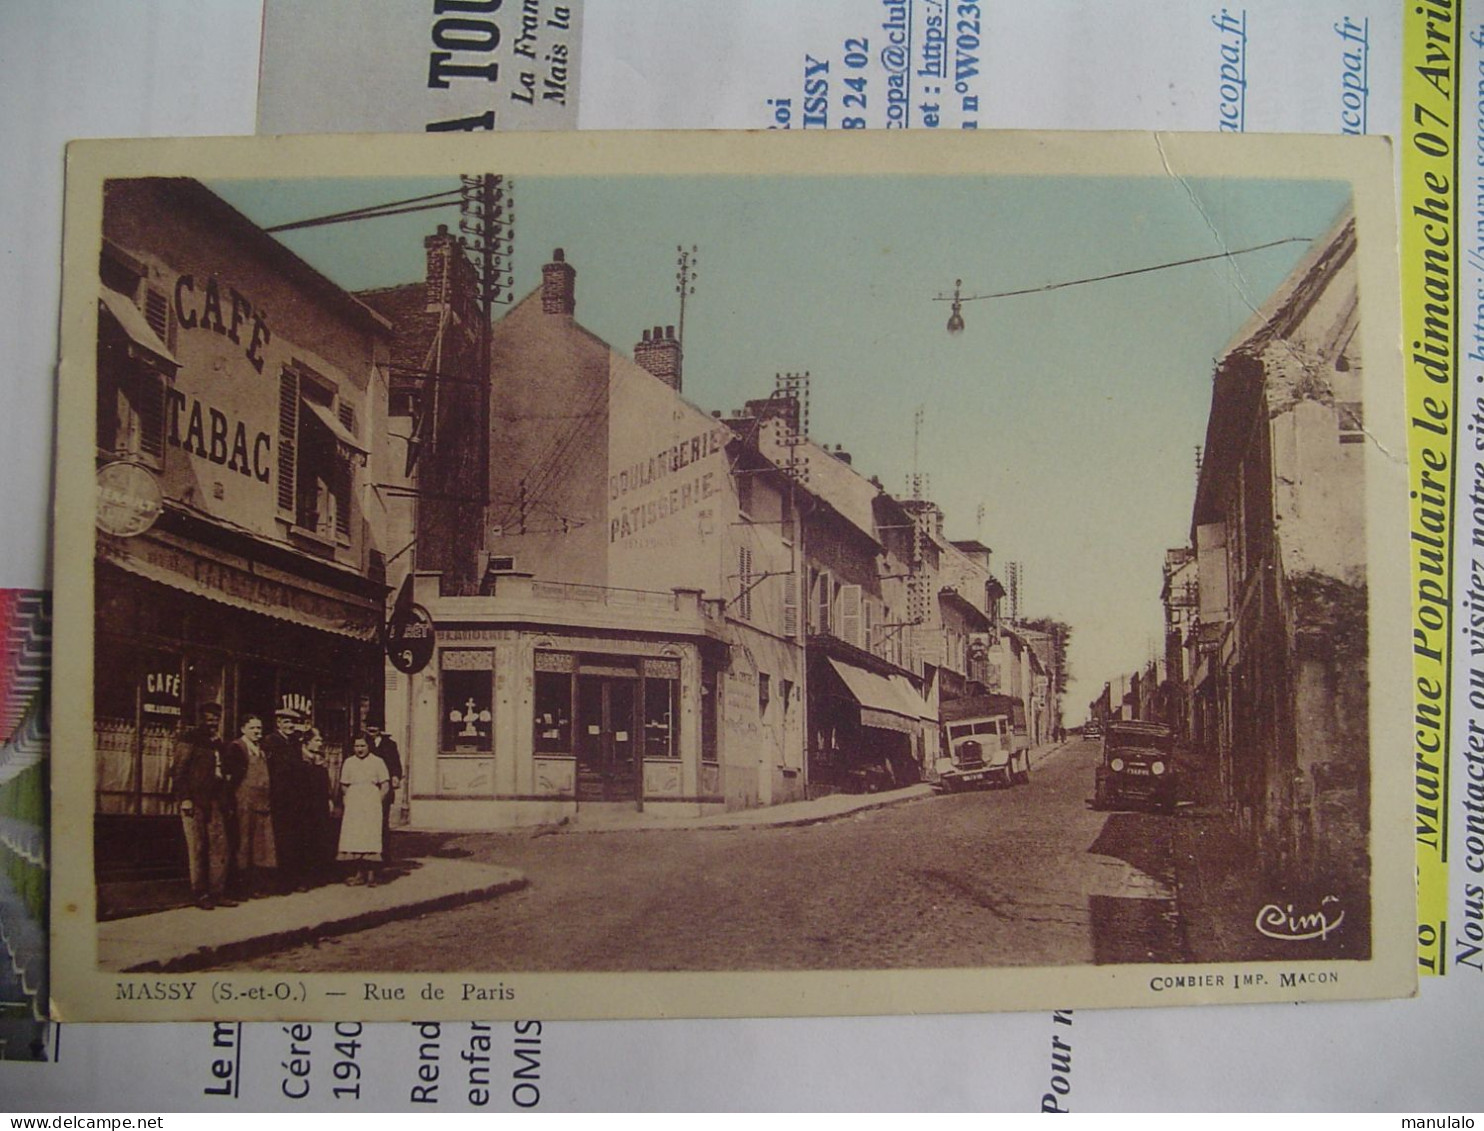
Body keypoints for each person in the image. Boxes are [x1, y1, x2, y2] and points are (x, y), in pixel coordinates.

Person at [168, 703, 235, 910]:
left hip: (215, 801)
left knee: (219, 847)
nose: (212, 722)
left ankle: (217, 892)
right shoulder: (189, 740)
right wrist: (185, 799)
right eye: (208, 718)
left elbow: (224, 771)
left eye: (216, 718)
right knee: (197, 847)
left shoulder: (217, 743)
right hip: (194, 801)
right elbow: (178, 772)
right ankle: (200, 893)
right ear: (200, 719)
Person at [229, 715, 277, 895]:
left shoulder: (261, 750)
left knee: (260, 846)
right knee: (243, 844)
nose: (257, 732)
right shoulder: (237, 748)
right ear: (243, 729)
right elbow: (232, 778)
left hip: (262, 804)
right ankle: (241, 888)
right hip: (244, 803)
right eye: (253, 728)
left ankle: (257, 886)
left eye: (259, 728)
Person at [261, 707, 305, 891]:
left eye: (293, 722)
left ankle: (292, 879)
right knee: (280, 839)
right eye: (286, 722)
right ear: (278, 723)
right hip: (279, 797)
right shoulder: (271, 741)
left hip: (294, 798)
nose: (290, 726)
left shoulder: (294, 742)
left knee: (294, 839)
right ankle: (282, 882)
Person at [337, 734, 389, 886]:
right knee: (356, 838)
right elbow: (344, 784)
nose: (359, 749)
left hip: (371, 801)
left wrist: (376, 801)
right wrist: (351, 800)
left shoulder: (377, 762)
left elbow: (385, 785)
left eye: (363, 746)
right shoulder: (349, 762)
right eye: (357, 746)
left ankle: (372, 875)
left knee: (370, 837)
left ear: (369, 746)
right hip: (354, 803)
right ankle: (359, 874)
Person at [297, 727, 336, 885]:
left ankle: (317, 876)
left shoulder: (319, 758)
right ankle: (304, 878)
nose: (320, 744)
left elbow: (325, 782)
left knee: (319, 838)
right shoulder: (300, 758)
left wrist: (329, 798)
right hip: (305, 805)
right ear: (307, 742)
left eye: (320, 740)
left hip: (319, 804)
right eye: (317, 740)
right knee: (305, 839)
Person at [364, 719, 402, 861]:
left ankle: (383, 855)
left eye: (375, 726)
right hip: (367, 786)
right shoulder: (362, 743)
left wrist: (396, 776)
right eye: (369, 726)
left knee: (382, 821)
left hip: (384, 787)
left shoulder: (390, 744)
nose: (372, 729)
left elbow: (396, 764)